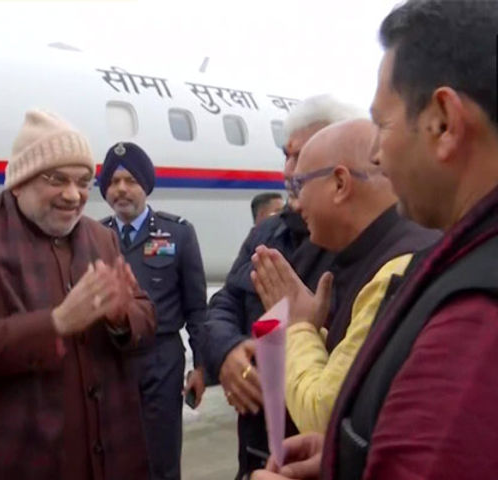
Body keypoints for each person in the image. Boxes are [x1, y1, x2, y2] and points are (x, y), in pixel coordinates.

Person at [252, 0, 498, 478]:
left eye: (383, 125)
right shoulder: (457, 262)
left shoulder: (473, 320)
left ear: (444, 122)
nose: (378, 156)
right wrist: (350, 453)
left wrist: (298, 330)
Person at [0, 110, 156, 479]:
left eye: (83, 182)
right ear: (19, 182)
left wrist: (120, 317)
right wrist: (56, 324)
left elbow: (143, 313)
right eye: (56, 179)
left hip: (111, 459)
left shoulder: (101, 238)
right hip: (15, 463)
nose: (73, 195)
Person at [201, 95, 361, 478]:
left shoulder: (360, 249)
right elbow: (225, 302)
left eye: (301, 157)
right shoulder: (268, 233)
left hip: (315, 455)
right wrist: (227, 352)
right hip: (258, 447)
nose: (290, 170)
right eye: (286, 156)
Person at [250, 119, 438, 434]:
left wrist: (297, 328)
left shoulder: (395, 270)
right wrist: (313, 331)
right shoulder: (386, 250)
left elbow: (326, 415)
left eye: (299, 185)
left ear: (340, 184)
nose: (296, 203)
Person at [99, 141, 207, 480]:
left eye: (130, 180)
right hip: (110, 361)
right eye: (113, 182)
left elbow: (197, 309)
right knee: (112, 459)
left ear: (145, 185)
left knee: (160, 459)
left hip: (161, 360)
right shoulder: (93, 237)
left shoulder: (178, 233)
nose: (121, 189)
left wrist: (201, 367)